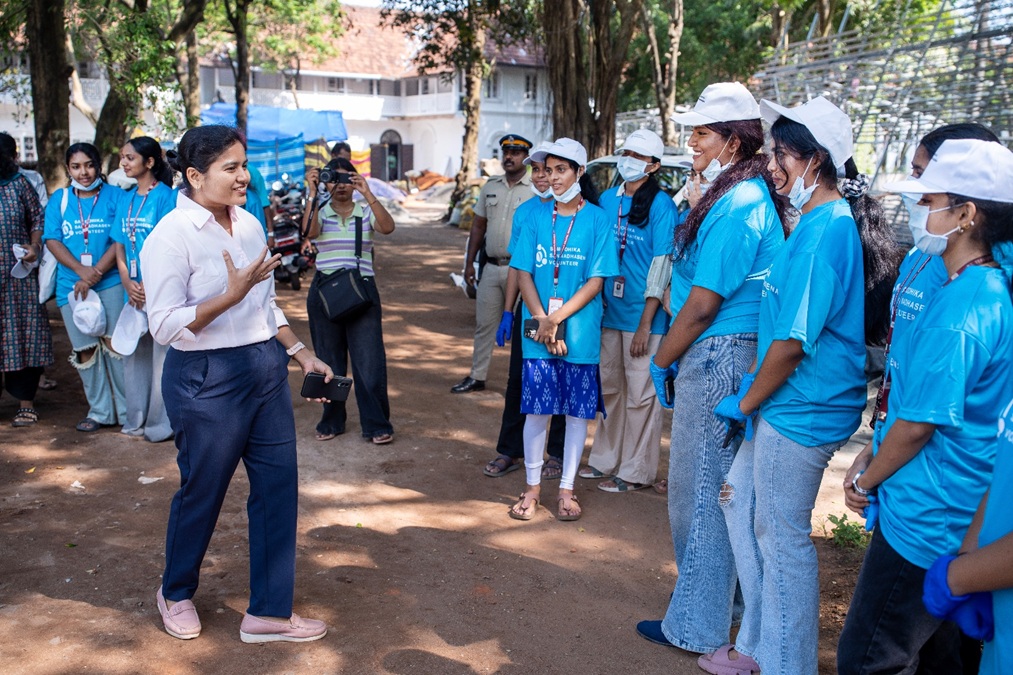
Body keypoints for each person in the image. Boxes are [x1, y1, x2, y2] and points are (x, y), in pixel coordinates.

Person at [705, 96, 898, 675]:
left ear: (816, 160)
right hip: (781, 400)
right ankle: (757, 645)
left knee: (781, 537)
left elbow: (793, 342)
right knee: (738, 503)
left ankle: (786, 663)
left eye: (781, 154)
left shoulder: (825, 231)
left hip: (802, 408)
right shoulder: (812, 222)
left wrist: (747, 400)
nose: (771, 165)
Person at [142, 124, 332, 643]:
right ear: (194, 175)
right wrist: (228, 296)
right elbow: (163, 326)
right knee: (203, 491)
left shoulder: (248, 223)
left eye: (244, 164)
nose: (244, 176)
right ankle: (175, 592)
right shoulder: (169, 238)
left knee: (277, 489)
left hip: (264, 368)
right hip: (205, 378)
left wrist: (299, 352)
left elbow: (265, 304)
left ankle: (269, 612)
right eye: (231, 167)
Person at [837, 139, 1013, 673]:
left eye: (930, 199)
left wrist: (865, 481)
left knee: (868, 658)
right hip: (950, 508)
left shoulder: (964, 307)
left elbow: (918, 425)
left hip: (927, 518)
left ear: (965, 214)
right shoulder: (982, 288)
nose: (919, 209)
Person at [634, 82, 790, 653]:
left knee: (699, 493)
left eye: (701, 133)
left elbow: (702, 305)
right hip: (720, 350)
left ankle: (696, 625)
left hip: (719, 351)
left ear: (733, 140)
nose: (691, 143)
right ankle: (723, 609)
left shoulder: (741, 201)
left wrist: (661, 358)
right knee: (713, 490)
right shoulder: (731, 192)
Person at [507, 137, 619, 522]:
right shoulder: (536, 216)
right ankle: (532, 488)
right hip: (539, 333)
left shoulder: (598, 220)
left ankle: (566, 489)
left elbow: (596, 282)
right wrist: (542, 319)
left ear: (579, 172)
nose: (552, 177)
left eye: (561, 170)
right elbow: (523, 272)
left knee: (576, 414)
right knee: (536, 412)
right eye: (549, 170)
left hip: (580, 333)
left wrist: (555, 320)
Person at [580, 129, 676, 492]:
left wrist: (646, 324)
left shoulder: (661, 206)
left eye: (638, 156)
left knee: (641, 396)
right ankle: (605, 460)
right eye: (626, 152)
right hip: (609, 313)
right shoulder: (608, 199)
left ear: (653, 166)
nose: (628, 160)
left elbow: (661, 265)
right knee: (611, 389)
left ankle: (636, 471)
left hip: (643, 319)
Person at [484, 144, 566, 480]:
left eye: (549, 170)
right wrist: (509, 311)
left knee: (561, 377)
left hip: (567, 313)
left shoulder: (579, 212)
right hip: (531, 313)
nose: (542, 176)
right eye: (537, 170)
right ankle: (510, 450)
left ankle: (557, 453)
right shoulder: (526, 212)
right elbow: (518, 268)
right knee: (520, 378)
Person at [303, 158, 395, 444]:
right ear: (325, 181)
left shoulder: (365, 212)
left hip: (361, 291)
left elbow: (388, 227)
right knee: (329, 360)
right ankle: (331, 420)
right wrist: (312, 192)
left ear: (355, 181)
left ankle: (377, 423)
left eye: (346, 179)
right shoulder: (321, 211)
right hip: (325, 292)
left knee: (369, 361)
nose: (340, 185)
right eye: (333, 178)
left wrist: (368, 192)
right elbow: (309, 232)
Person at [43, 142, 128, 433]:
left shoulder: (116, 196)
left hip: (111, 281)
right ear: (68, 169)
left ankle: (127, 411)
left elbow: (120, 238)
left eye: (89, 165)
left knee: (114, 345)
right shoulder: (60, 199)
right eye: (76, 167)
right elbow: (52, 239)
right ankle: (100, 411)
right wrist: (82, 272)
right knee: (85, 349)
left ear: (98, 165)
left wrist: (96, 273)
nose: (84, 172)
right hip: (71, 286)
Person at [452, 134, 534, 394]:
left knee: (525, 327)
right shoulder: (490, 186)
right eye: (506, 152)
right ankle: (477, 375)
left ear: (526, 157)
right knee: (484, 324)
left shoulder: (535, 188)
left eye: (515, 153)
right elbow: (478, 226)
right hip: (491, 266)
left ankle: (524, 380)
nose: (509, 157)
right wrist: (469, 264)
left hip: (522, 271)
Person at [110, 136, 176, 442]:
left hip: (157, 288)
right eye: (123, 157)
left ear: (149, 162)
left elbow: (170, 247)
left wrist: (149, 283)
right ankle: (134, 420)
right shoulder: (126, 198)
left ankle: (160, 426)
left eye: (130, 158)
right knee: (134, 356)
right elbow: (119, 245)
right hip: (133, 290)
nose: (123, 163)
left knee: (162, 359)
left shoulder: (166, 197)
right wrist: (126, 280)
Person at [0, 132, 53, 427]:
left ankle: (26, 404)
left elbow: (37, 218)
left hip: (18, 277)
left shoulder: (19, 184)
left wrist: (33, 246)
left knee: (25, 334)